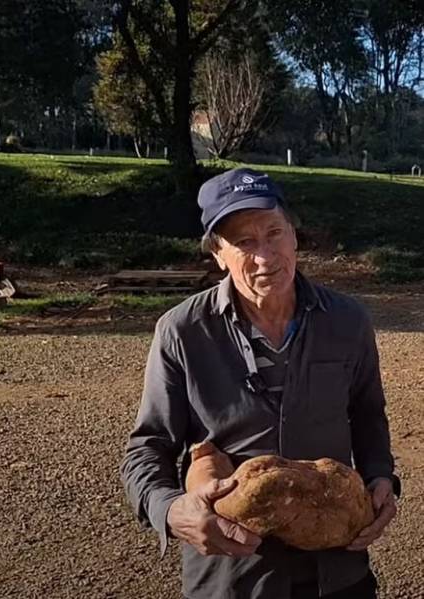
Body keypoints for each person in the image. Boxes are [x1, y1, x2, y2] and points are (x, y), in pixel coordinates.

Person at [120, 168, 400, 599]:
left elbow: (367, 417)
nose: (266, 256)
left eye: (275, 233)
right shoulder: (182, 332)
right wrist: (172, 510)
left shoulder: (347, 321)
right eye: (244, 242)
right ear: (217, 254)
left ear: (294, 235)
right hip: (234, 579)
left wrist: (381, 476)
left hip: (338, 570)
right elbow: (148, 447)